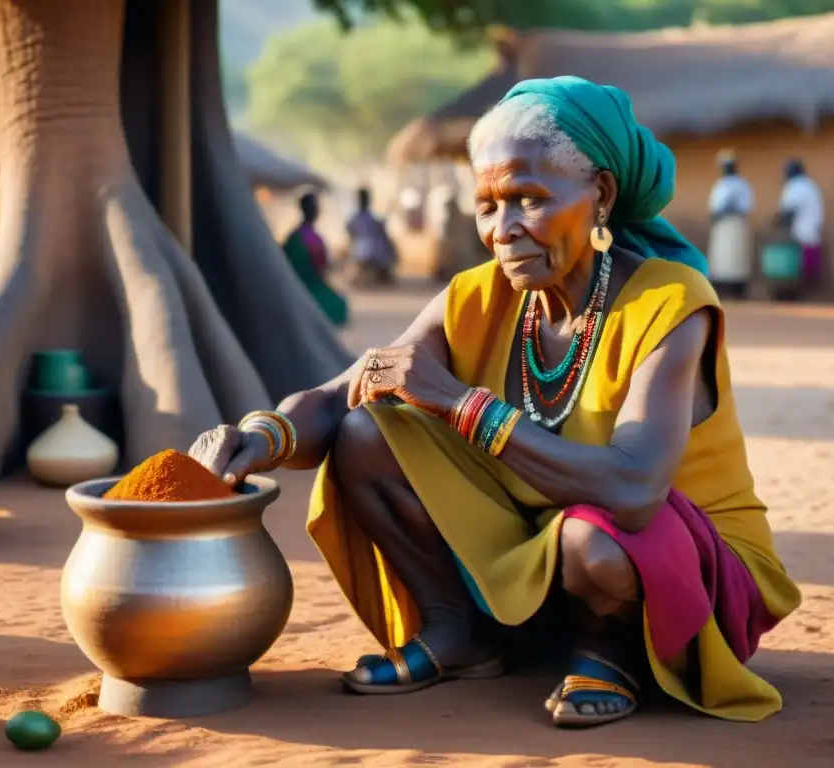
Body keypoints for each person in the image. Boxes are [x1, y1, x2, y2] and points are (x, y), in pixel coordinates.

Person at [189, 76, 800, 730]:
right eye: (486, 205)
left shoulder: (670, 303)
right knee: (369, 434)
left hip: (678, 561)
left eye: (528, 199)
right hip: (549, 534)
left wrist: (461, 406)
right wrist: (263, 438)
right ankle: (455, 631)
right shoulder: (478, 296)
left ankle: (608, 648)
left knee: (594, 542)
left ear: (600, 195)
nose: (502, 231)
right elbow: (345, 393)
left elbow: (634, 489)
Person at [282, 192, 348, 327]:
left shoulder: (297, 235)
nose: (315, 209)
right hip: (305, 286)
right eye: (313, 206)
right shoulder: (302, 237)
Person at [706, 151, 754, 298]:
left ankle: (738, 291)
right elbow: (713, 208)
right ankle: (722, 290)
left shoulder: (742, 185)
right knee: (722, 259)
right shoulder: (720, 185)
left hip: (736, 223)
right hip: (722, 225)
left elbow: (747, 206)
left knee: (737, 258)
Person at [777, 159, 824, 285]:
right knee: (812, 263)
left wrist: (778, 224)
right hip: (814, 229)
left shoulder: (794, 186)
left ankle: (797, 291)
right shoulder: (811, 185)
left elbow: (788, 212)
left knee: (798, 267)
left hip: (801, 232)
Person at [346, 188, 397, 287]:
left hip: (358, 252)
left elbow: (350, 234)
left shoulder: (353, 219)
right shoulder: (372, 219)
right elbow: (383, 233)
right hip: (373, 254)